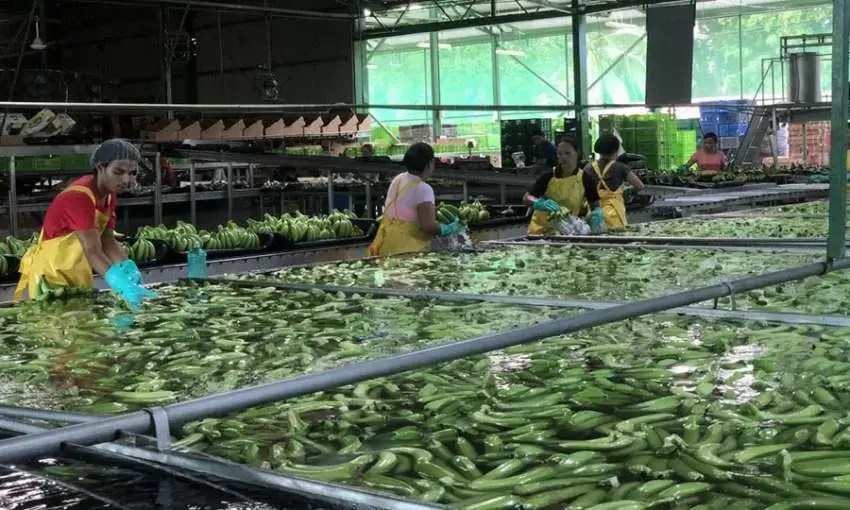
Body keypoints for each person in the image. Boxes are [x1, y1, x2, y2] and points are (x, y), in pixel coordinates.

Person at [15, 139, 157, 307]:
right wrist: (121, 285)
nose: (127, 180)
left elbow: (108, 242)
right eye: (118, 171)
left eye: (133, 173)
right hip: (52, 276)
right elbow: (93, 251)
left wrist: (129, 271)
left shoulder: (109, 196)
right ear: (100, 168)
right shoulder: (79, 197)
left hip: (76, 270)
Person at [367, 142, 462, 257]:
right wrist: (448, 228)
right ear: (429, 164)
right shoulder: (423, 189)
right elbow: (427, 226)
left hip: (385, 245)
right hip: (408, 250)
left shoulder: (398, 179)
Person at [524, 137, 587, 235]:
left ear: (576, 154)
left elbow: (594, 204)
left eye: (567, 153)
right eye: (560, 154)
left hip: (567, 231)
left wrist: (596, 215)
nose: (563, 157)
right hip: (541, 232)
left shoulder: (585, 178)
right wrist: (539, 203)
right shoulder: (548, 176)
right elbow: (526, 198)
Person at [583, 133, 645, 231]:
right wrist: (626, 191)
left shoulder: (588, 167)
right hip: (614, 214)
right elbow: (640, 186)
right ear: (616, 151)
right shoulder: (621, 167)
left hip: (594, 214)